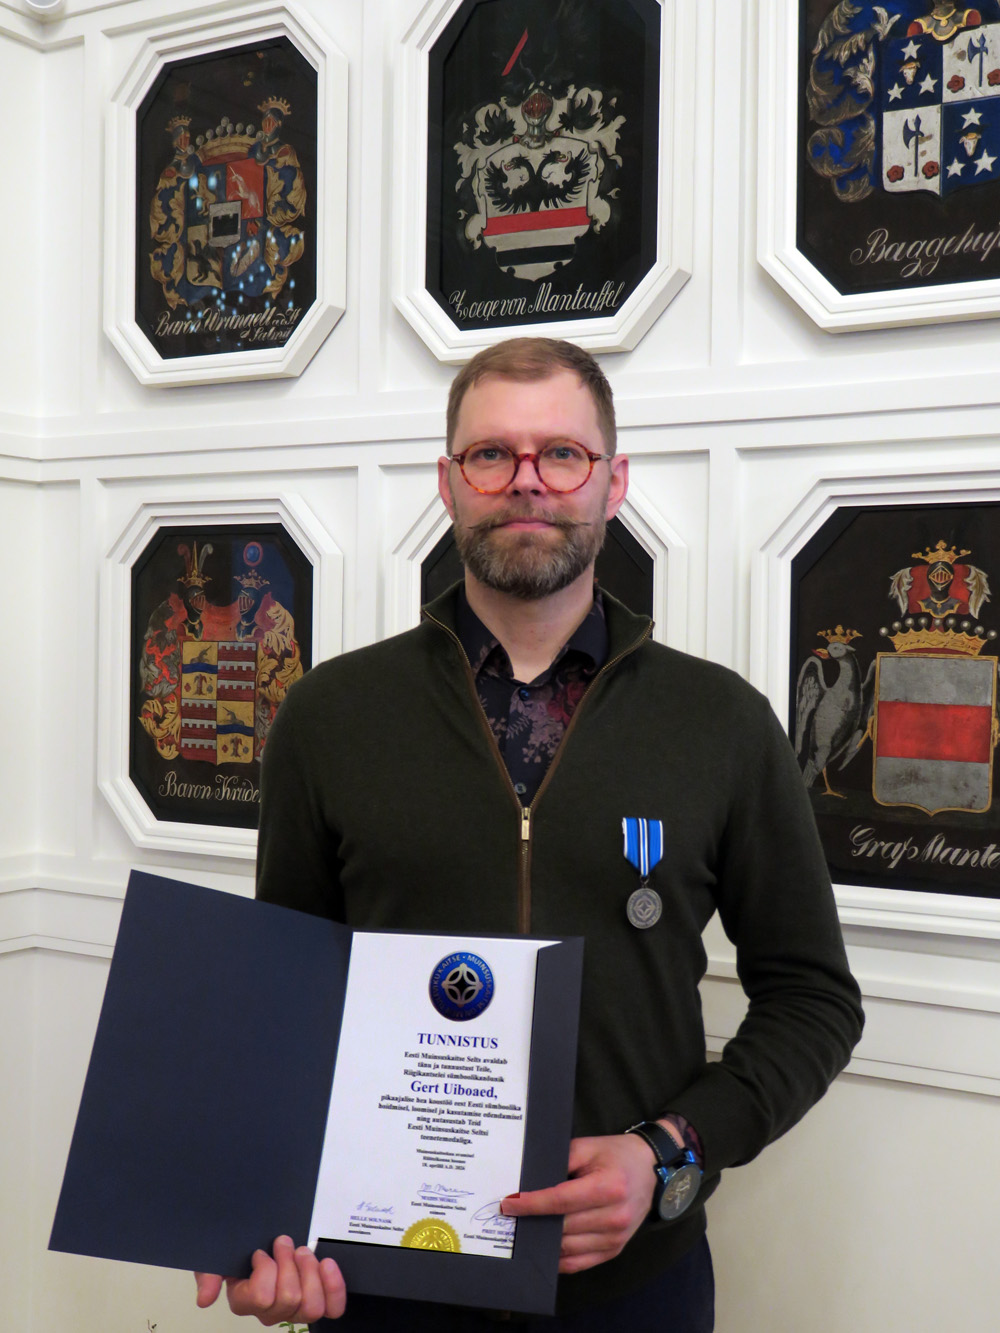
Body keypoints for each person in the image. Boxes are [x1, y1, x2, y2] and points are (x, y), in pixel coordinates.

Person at [195, 338, 863, 1330]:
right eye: (490, 455)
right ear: (448, 483)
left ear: (612, 482)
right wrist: (262, 1229)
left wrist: (668, 1148)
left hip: (632, 1286)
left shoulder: (720, 721)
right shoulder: (329, 715)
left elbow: (813, 997)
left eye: (561, 453)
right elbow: (284, 1006)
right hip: (385, 1277)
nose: (526, 481)